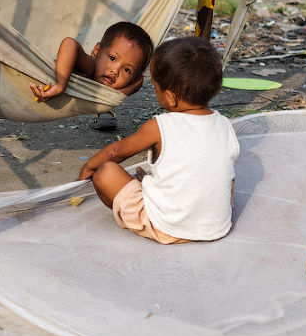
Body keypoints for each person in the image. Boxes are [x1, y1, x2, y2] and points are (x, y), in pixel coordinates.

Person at [78, 37, 240, 244]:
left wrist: (90, 165)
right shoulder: (225, 124)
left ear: (171, 97)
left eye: (156, 88)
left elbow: (115, 152)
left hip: (165, 227)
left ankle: (144, 215)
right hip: (216, 226)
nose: (155, 92)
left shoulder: (160, 126)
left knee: (105, 173)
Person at [30, 21, 153, 102]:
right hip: (29, 72)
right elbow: (69, 43)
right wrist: (60, 85)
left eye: (127, 70)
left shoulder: (105, 82)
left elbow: (111, 97)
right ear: (96, 51)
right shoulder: (89, 67)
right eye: (112, 58)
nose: (115, 71)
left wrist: (129, 90)